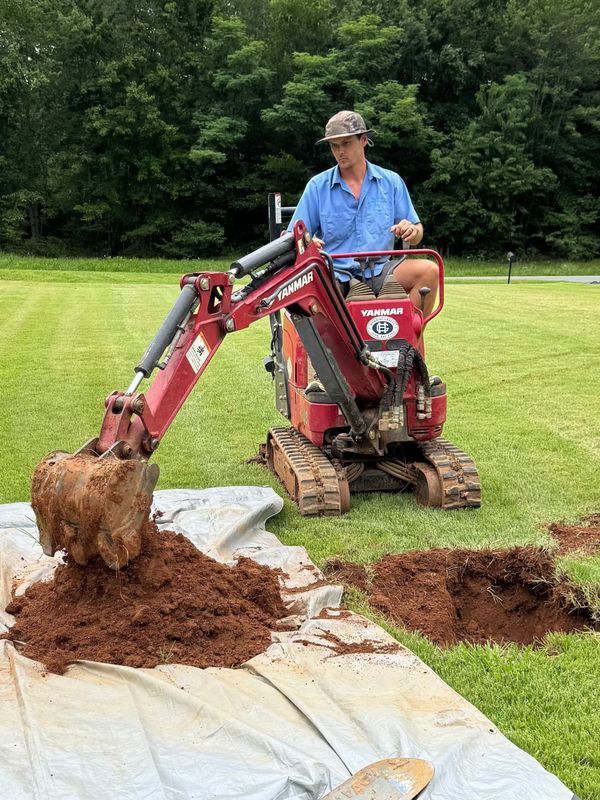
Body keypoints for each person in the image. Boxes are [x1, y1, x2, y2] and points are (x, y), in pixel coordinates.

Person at [287, 110, 438, 316]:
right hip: (334, 273)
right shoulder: (317, 187)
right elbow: (292, 237)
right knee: (310, 290)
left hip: (382, 270)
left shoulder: (391, 182)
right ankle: (335, 344)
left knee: (430, 271)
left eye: (346, 143)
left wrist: (412, 230)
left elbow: (417, 231)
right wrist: (308, 243)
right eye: (334, 145)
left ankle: (409, 341)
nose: (340, 151)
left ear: (364, 140)